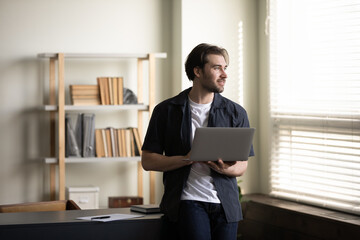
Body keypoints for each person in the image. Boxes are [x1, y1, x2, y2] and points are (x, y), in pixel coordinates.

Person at [141, 43, 254, 240]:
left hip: (226, 206)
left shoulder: (236, 112)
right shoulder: (166, 110)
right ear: (198, 71)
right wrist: (186, 158)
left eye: (225, 68)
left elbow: (241, 166)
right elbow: (148, 160)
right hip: (187, 201)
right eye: (217, 67)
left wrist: (222, 168)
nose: (224, 74)